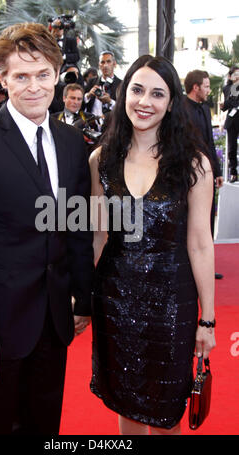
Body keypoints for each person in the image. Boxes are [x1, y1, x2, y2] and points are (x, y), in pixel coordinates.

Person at [0, 22, 93, 435]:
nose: (33, 87)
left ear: (57, 76)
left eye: (43, 74)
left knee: (44, 428)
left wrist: (83, 300)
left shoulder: (69, 141)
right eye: (21, 76)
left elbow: (75, 227)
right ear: (2, 77)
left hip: (53, 322)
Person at [89, 55, 216, 435]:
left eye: (157, 94)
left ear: (172, 102)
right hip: (115, 301)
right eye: (137, 89)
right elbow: (97, 235)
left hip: (172, 306)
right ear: (123, 93)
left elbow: (200, 244)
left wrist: (206, 320)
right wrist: (81, 298)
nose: (145, 101)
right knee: (126, 403)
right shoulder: (101, 160)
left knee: (166, 412)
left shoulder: (194, 165)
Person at [183, 70, 224, 280]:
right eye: (206, 86)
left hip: (206, 171)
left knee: (207, 216)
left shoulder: (206, 109)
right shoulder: (181, 108)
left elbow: (209, 141)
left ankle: (205, 266)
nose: (209, 90)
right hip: (185, 170)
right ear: (196, 87)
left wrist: (215, 171)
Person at [84, 51, 122, 116]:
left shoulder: (121, 84)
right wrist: (88, 95)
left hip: (112, 123)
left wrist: (110, 101)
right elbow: (81, 104)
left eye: (108, 61)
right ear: (99, 65)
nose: (105, 65)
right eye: (102, 62)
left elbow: (124, 108)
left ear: (114, 64)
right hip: (92, 123)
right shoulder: (91, 82)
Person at [221, 66, 239, 183]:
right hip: (232, 121)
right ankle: (233, 173)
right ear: (230, 76)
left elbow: (228, 103)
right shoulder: (227, 88)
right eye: (235, 74)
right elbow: (227, 104)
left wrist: (230, 103)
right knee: (231, 148)